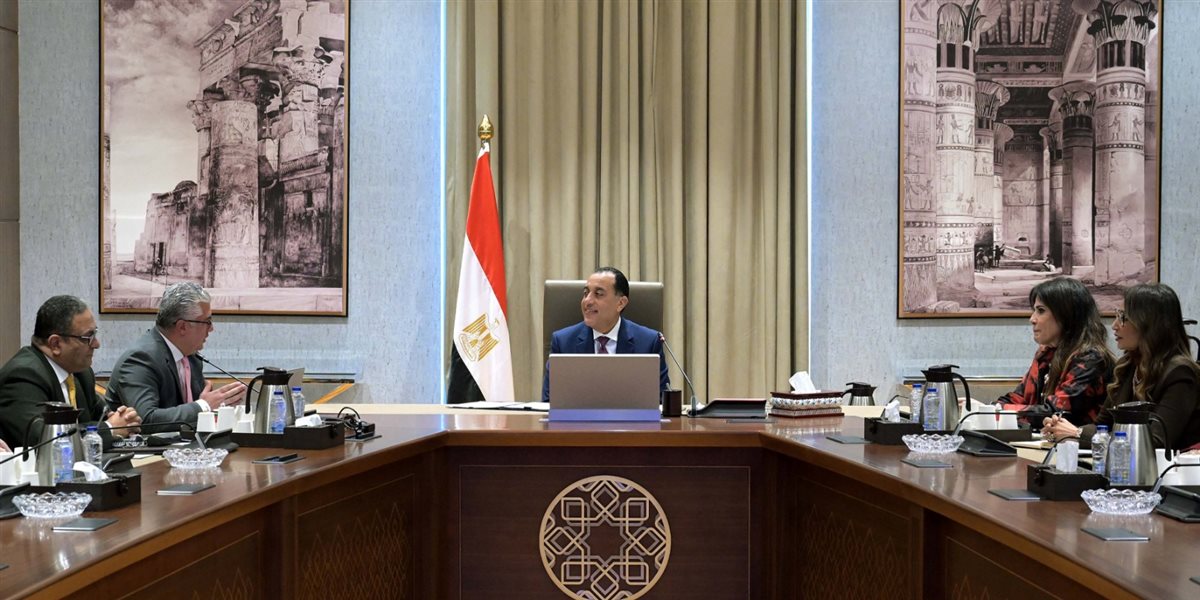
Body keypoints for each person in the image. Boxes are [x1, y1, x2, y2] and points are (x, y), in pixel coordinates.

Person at [1043, 283, 1200, 450]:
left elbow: (1156, 441)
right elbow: (1103, 426)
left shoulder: (1180, 372)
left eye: (1123, 317)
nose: (1114, 325)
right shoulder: (1128, 365)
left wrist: (1077, 433)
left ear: (1149, 323)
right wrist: (1062, 430)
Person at [0, 295, 141, 449]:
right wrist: (110, 428)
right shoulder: (23, 376)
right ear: (55, 344)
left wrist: (125, 420)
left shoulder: (81, 373)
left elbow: (102, 416)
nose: (96, 344)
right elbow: (45, 441)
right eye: (88, 337)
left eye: (95, 334)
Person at [106, 282, 245, 433]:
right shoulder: (140, 359)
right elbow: (146, 420)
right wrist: (204, 406)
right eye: (207, 321)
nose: (211, 328)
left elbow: (194, 411)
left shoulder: (192, 358)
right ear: (182, 326)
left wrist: (217, 408)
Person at [541, 267, 669, 402]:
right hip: (577, 416)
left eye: (598, 294)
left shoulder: (649, 343)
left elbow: (662, 401)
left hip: (632, 416)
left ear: (620, 303)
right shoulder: (563, 343)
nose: (587, 301)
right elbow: (548, 402)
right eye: (585, 293)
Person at [998, 277, 1113, 426]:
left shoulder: (1091, 359)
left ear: (1066, 315)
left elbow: (1054, 413)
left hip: (1079, 441)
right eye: (1034, 310)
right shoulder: (1046, 354)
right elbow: (1018, 398)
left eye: (1041, 311)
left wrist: (1000, 411)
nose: (1032, 319)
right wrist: (991, 408)